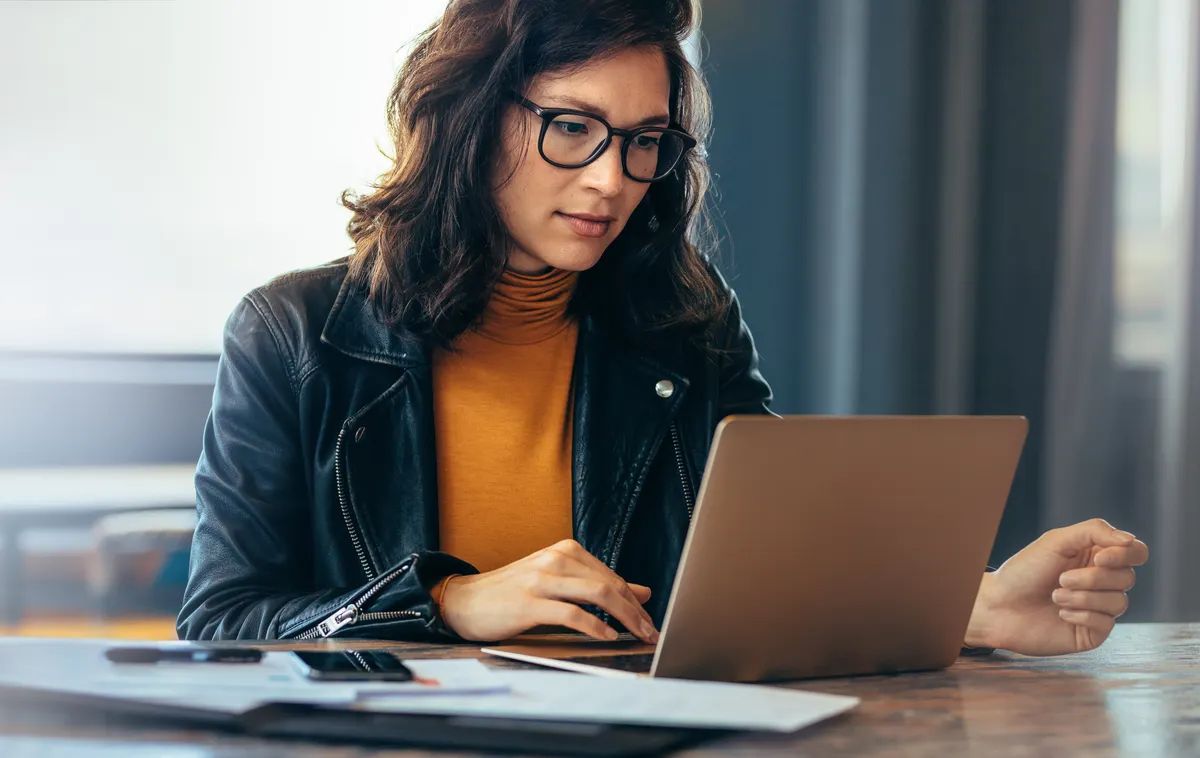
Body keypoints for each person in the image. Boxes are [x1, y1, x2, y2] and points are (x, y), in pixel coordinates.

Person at [177, 0, 1148, 657]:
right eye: (572, 127)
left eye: (645, 141)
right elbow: (220, 621)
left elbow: (773, 570)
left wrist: (971, 604)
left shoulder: (684, 320)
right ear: (470, 116)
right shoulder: (295, 333)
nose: (611, 178)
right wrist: (445, 603)